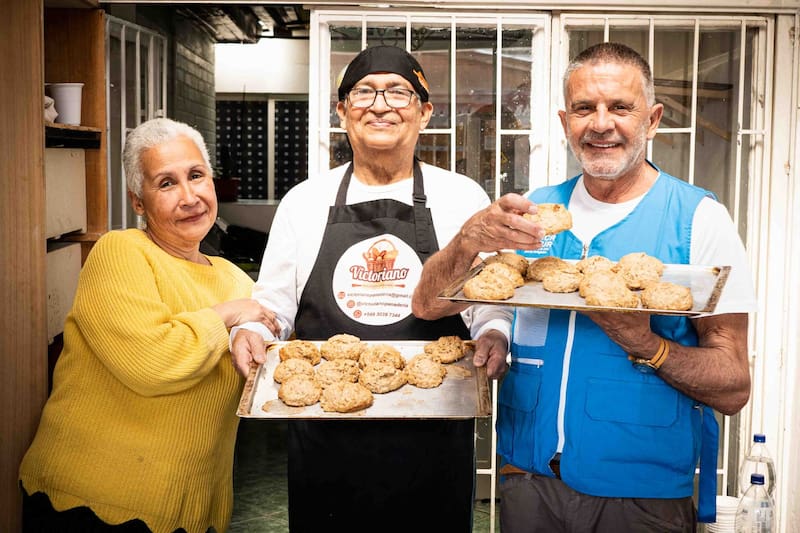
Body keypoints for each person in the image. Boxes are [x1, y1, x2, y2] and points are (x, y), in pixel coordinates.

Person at [412, 42, 756, 532]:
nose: (600, 123)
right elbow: (447, 305)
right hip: (528, 479)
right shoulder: (532, 211)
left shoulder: (699, 219)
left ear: (653, 119)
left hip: (642, 495)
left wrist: (645, 342)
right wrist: (491, 316)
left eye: (620, 107)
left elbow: (733, 387)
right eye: (583, 108)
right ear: (563, 121)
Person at [230, 45, 511, 532]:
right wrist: (252, 327)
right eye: (363, 92)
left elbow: (488, 301)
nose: (380, 104)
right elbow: (273, 302)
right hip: (324, 429)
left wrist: (496, 333)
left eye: (399, 92)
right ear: (342, 111)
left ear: (425, 112)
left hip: (435, 426)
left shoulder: (461, 196)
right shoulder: (306, 200)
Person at [19, 118, 280, 533]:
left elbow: (263, 363)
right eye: (166, 183)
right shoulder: (120, 252)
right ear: (138, 202)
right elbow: (154, 363)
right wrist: (227, 316)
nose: (190, 196)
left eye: (196, 176)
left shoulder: (235, 279)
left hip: (191, 510)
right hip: (94, 503)